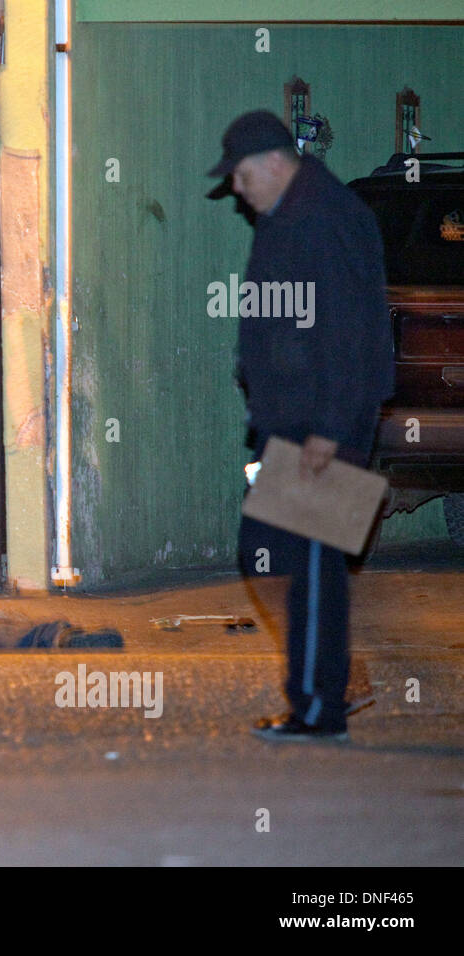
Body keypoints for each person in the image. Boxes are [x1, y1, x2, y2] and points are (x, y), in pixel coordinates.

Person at [207, 111, 394, 742]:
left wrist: (330, 428)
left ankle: (319, 708)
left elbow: (345, 332)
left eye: (239, 175)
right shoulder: (293, 215)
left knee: (309, 564)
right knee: (271, 553)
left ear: (273, 162)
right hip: (293, 422)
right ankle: (335, 679)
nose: (237, 189)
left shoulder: (320, 219)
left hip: (319, 426)